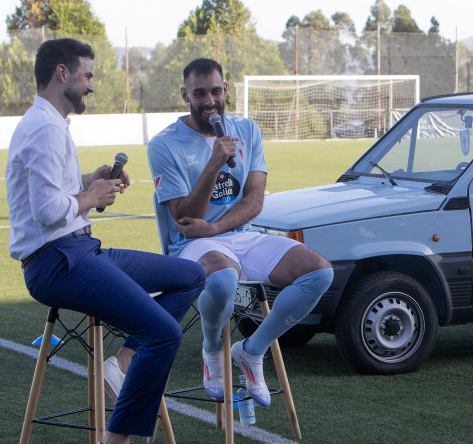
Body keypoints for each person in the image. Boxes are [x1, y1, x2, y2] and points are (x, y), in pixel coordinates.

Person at [6, 38, 206, 444]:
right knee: (164, 332)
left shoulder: (50, 123)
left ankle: (120, 364)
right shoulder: (44, 127)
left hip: (77, 250)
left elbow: (56, 196)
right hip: (55, 261)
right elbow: (45, 211)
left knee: (191, 274)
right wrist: (90, 197)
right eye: (88, 75)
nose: (92, 85)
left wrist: (88, 181)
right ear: (62, 73)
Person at [142, 57, 333, 407]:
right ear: (185, 94)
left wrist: (215, 226)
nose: (210, 101)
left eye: (216, 91)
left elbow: (255, 200)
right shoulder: (163, 144)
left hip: (239, 235)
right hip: (191, 245)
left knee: (320, 273)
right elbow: (185, 218)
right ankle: (212, 349)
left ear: (226, 90)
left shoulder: (247, 130)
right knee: (223, 279)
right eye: (199, 93)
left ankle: (251, 351)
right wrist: (214, 163)